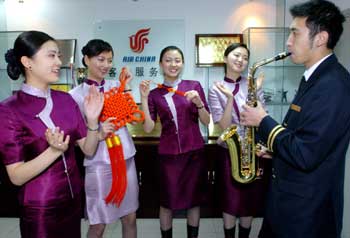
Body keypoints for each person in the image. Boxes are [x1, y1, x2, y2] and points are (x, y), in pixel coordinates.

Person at [240, 1, 350, 238]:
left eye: (294, 33)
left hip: (307, 215)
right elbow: (301, 135)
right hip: (288, 204)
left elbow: (305, 153)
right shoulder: (314, 78)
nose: (288, 42)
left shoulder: (333, 85)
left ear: (320, 38)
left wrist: (263, 121)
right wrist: (275, 149)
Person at [0, 31, 105, 238]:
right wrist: (54, 151)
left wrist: (92, 122)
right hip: (40, 207)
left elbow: (89, 150)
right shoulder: (9, 109)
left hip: (73, 199)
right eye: (51, 55)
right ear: (27, 62)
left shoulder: (66, 100)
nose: (59, 61)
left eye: (58, 55)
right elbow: (16, 176)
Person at [69, 39, 139, 238]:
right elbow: (77, 135)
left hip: (125, 158)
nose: (106, 65)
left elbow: (131, 118)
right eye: (101, 59)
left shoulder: (117, 86)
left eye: (109, 60)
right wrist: (98, 133)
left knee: (130, 217)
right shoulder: (74, 96)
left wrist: (127, 87)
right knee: (98, 222)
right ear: (86, 59)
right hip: (98, 162)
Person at [139, 46, 210, 238]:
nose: (173, 64)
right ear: (161, 64)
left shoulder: (193, 86)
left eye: (177, 60)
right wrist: (144, 99)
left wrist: (199, 104)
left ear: (183, 64)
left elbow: (206, 120)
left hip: (194, 153)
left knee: (193, 201)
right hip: (169, 156)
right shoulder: (155, 94)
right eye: (168, 60)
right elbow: (147, 127)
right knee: (166, 202)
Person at [208, 43, 269, 238]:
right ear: (225, 58)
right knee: (230, 199)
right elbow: (224, 127)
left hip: (252, 150)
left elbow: (261, 117)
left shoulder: (252, 84)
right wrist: (229, 99)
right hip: (229, 151)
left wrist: (256, 92)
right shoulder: (215, 87)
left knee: (249, 200)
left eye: (245, 57)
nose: (240, 60)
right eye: (236, 55)